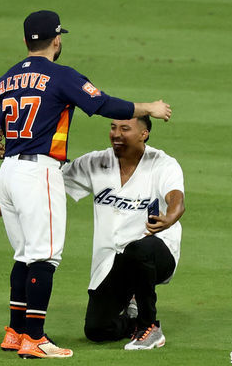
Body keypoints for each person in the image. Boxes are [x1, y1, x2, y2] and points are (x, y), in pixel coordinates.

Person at [0, 10, 172, 359]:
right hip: (38, 171)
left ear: (26, 42)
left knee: (24, 255)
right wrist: (149, 107)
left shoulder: (2, 82)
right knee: (44, 257)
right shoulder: (60, 76)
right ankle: (34, 338)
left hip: (7, 172)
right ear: (56, 40)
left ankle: (15, 331)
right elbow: (101, 103)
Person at [61, 116, 185, 350]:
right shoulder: (96, 162)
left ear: (144, 134)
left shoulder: (163, 164)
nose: (116, 133)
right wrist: (2, 207)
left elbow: (176, 199)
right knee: (97, 329)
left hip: (157, 253)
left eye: (125, 129)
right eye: (113, 127)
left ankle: (149, 328)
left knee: (139, 248)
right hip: (111, 261)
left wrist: (170, 217)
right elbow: (51, 184)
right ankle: (133, 319)